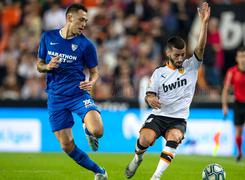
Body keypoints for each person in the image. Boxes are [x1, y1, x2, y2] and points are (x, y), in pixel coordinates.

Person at [124, 2, 210, 180]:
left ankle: (156, 177)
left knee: (175, 137)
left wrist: (204, 23)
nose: (181, 58)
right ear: (168, 53)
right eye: (177, 54)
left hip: (178, 118)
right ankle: (137, 158)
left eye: (183, 54)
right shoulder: (159, 73)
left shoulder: (191, 66)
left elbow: (200, 48)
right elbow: (149, 94)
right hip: (159, 115)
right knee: (145, 140)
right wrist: (151, 99)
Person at [36, 4, 107, 180]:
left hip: (78, 94)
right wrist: (47, 66)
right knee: (67, 145)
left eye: (86, 21)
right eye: (81, 20)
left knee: (98, 131)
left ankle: (88, 129)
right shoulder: (48, 37)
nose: (84, 24)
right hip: (56, 98)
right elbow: (39, 65)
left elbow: (95, 72)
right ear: (69, 18)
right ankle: (99, 171)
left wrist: (91, 82)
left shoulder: (86, 45)